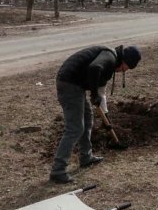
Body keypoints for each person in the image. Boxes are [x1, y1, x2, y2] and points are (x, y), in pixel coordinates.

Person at [50, 45, 142, 184]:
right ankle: (58, 170)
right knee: (75, 128)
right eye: (125, 68)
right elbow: (94, 68)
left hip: (76, 85)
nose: (123, 71)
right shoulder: (109, 57)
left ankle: (86, 157)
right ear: (124, 61)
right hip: (69, 83)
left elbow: (101, 95)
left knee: (87, 120)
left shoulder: (109, 66)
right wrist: (93, 93)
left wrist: (107, 121)